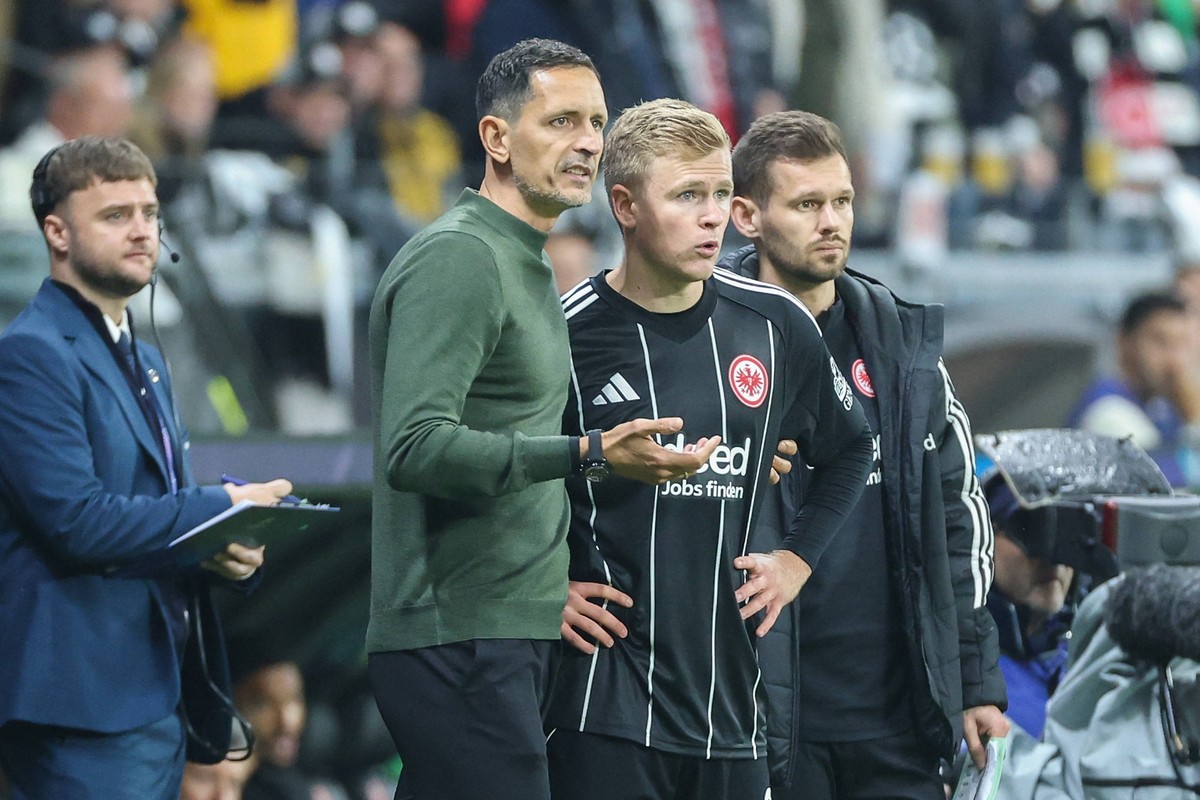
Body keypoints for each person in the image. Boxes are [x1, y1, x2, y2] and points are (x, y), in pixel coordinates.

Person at [366, 39, 718, 800]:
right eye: (561, 121)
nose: (588, 141)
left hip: (503, 631)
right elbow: (415, 447)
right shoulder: (460, 258)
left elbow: (511, 429)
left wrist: (548, 578)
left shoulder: (524, 258)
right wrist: (587, 452)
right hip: (459, 636)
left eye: (595, 122)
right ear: (497, 138)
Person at [545, 97, 875, 800]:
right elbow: (512, 473)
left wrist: (796, 560)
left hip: (734, 715)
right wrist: (543, 590)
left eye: (722, 193)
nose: (712, 216)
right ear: (625, 206)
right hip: (604, 705)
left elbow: (853, 449)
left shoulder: (774, 323)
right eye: (687, 195)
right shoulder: (565, 335)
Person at [720, 110, 1008, 799]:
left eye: (842, 201)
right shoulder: (707, 337)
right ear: (747, 217)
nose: (831, 222)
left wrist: (975, 681)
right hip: (754, 718)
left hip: (896, 721)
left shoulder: (903, 347)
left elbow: (959, 514)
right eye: (807, 205)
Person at [0, 136, 293, 798]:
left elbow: (152, 516)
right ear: (57, 233)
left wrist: (222, 547)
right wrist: (219, 508)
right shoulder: (30, 354)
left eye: (150, 213)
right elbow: (75, 522)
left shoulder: (148, 360)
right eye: (115, 215)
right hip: (80, 706)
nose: (142, 231)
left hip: (157, 698)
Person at [1067, 291, 1200, 489]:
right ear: (1124, 342)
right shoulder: (1109, 410)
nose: (1174, 361)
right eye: (1161, 342)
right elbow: (1168, 486)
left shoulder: (1161, 406)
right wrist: (1195, 418)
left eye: (1181, 344)